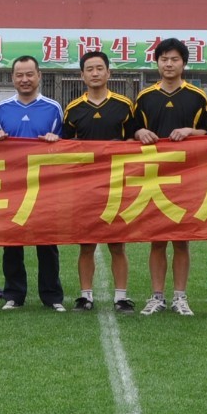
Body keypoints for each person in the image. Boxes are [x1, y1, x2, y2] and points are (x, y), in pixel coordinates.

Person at [132, 37, 207, 316]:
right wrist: (139, 132)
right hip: (153, 176)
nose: (169, 64)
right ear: (157, 63)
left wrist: (192, 132)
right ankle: (157, 296)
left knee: (181, 239)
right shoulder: (145, 97)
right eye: (164, 59)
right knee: (156, 239)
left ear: (183, 63)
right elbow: (131, 132)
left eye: (174, 59)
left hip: (187, 177)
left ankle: (180, 296)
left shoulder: (197, 97)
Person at [0, 55, 66, 312]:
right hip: (12, 187)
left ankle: (52, 296)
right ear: (12, 78)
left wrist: (57, 141)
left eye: (29, 74)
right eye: (19, 75)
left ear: (39, 76)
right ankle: (14, 295)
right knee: (11, 244)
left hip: (44, 187)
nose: (24, 79)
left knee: (47, 245)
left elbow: (68, 146)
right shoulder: (1, 110)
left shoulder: (54, 108)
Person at [64, 49, 136, 313]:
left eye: (99, 68)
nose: (95, 73)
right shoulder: (73, 109)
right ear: (82, 75)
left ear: (109, 73)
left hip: (116, 183)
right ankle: (85, 295)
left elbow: (133, 141)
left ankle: (121, 296)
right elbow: (66, 146)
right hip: (84, 186)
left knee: (117, 244)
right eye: (89, 69)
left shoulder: (125, 105)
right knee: (86, 244)